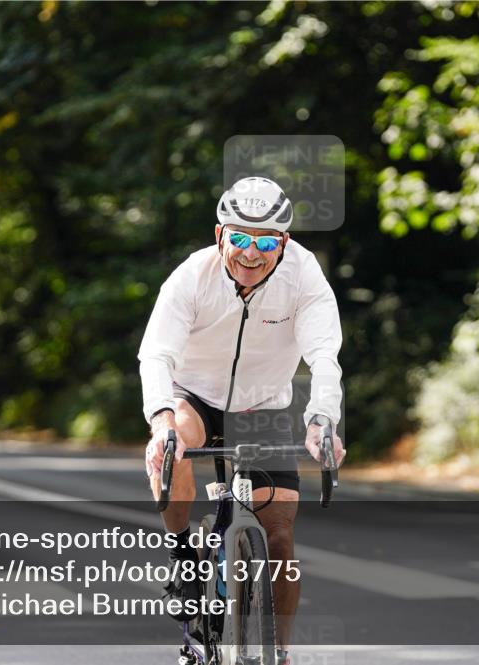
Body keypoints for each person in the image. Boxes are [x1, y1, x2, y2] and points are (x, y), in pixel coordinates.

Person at [138, 176, 346, 664]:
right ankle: (181, 552)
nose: (252, 253)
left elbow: (324, 358)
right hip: (196, 396)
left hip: (263, 405)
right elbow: (156, 356)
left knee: (280, 536)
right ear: (219, 235)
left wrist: (321, 420)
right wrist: (162, 422)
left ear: (285, 243)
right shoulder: (191, 277)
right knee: (173, 450)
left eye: (267, 242)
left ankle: (281, 653)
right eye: (241, 239)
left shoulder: (305, 277)